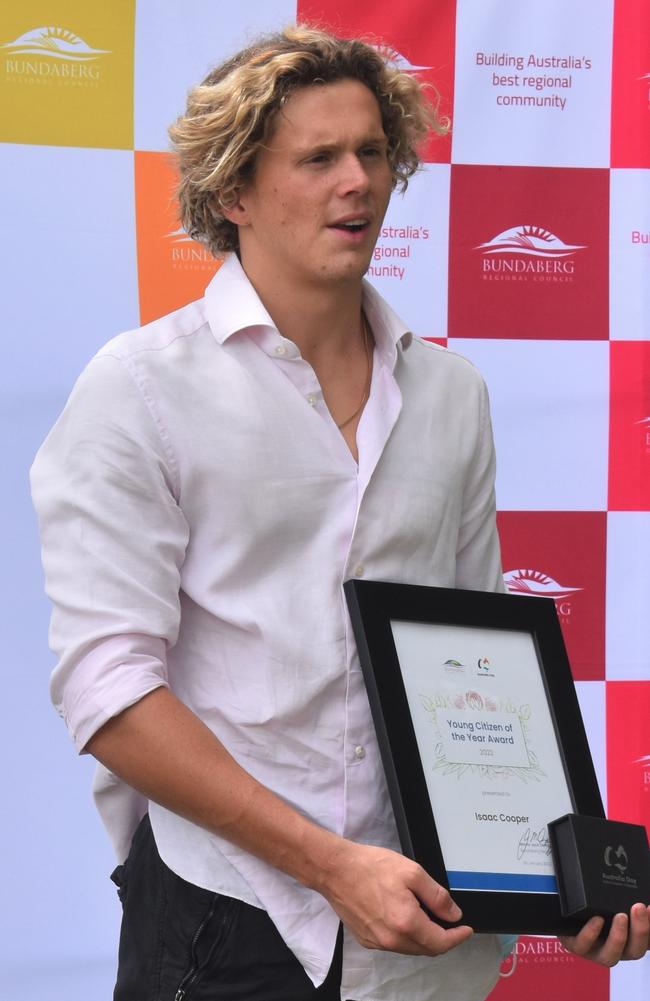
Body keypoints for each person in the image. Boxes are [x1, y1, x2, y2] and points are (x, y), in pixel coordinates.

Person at [31, 24, 649, 1001]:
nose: (356, 179)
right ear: (234, 192)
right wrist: (328, 863)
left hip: (422, 922)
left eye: (370, 151)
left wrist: (562, 872)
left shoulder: (451, 392)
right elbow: (109, 693)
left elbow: (484, 660)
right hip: (222, 914)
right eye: (317, 158)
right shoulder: (139, 387)